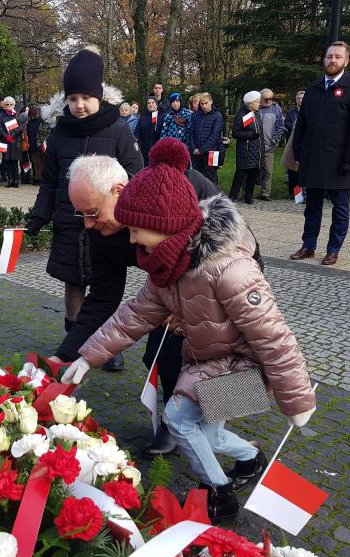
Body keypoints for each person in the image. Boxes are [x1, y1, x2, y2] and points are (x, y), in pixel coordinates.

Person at [62, 140, 315, 523]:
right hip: (215, 364)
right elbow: (133, 316)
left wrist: (298, 404)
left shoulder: (231, 271)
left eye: (136, 231)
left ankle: (220, 494)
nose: (131, 241)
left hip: (248, 373)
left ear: (162, 225)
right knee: (208, 435)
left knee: (179, 418)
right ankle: (250, 460)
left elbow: (275, 340)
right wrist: (87, 356)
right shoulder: (165, 269)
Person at [25, 46, 143, 370]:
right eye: (72, 98)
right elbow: (49, 182)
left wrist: (119, 216)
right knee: (75, 282)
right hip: (69, 221)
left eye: (85, 97)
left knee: (105, 285)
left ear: (100, 95)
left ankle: (103, 344)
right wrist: (39, 216)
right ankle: (74, 342)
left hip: (107, 223)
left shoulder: (118, 129)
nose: (78, 105)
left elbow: (136, 175)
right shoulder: (60, 132)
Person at [290, 41, 350, 266]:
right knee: (312, 207)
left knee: (340, 208)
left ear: (346, 60)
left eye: (337, 57)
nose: (332, 60)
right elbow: (302, 124)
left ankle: (333, 249)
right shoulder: (314, 87)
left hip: (340, 161)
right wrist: (298, 152)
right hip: (313, 158)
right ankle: (308, 245)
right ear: (323, 60)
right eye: (329, 56)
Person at [229, 91, 264, 205]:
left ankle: (248, 198)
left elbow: (260, 133)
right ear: (250, 103)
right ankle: (231, 198)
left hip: (255, 151)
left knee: (253, 176)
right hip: (245, 151)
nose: (259, 104)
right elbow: (236, 133)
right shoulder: (242, 115)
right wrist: (250, 135)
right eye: (257, 102)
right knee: (240, 175)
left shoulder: (256, 114)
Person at [188, 92, 224, 184]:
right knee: (197, 177)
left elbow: (215, 135)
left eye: (206, 103)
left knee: (211, 176)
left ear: (211, 102)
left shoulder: (217, 116)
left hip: (212, 151)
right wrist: (193, 148)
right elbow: (191, 133)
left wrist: (202, 149)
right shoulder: (195, 115)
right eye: (202, 104)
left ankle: (214, 197)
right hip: (196, 152)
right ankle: (199, 197)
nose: (204, 106)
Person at [257, 88, 285, 201]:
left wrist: (274, 141)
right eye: (266, 99)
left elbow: (280, 126)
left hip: (269, 146)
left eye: (271, 99)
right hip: (254, 146)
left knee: (268, 171)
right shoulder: (254, 107)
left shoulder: (276, 108)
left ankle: (265, 193)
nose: (269, 101)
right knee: (251, 171)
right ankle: (247, 192)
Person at [0, 96, 24, 188]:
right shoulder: (1, 115)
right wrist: (6, 136)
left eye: (10, 104)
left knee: (14, 162)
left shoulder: (16, 115)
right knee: (7, 161)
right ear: (4, 105)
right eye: (7, 104)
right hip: (6, 141)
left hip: (15, 141)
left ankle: (16, 181)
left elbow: (21, 126)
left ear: (13, 105)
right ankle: (10, 180)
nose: (8, 105)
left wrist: (13, 134)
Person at [134, 96, 163, 165]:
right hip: (145, 152)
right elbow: (137, 133)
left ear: (156, 104)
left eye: (153, 102)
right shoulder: (143, 117)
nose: (151, 104)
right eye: (148, 103)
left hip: (158, 152)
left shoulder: (162, 116)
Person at [25, 106, 44, 184]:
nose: (34, 116)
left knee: (40, 163)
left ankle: (40, 179)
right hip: (32, 145)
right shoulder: (30, 123)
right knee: (35, 163)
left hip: (39, 146)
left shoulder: (41, 122)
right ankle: (37, 178)